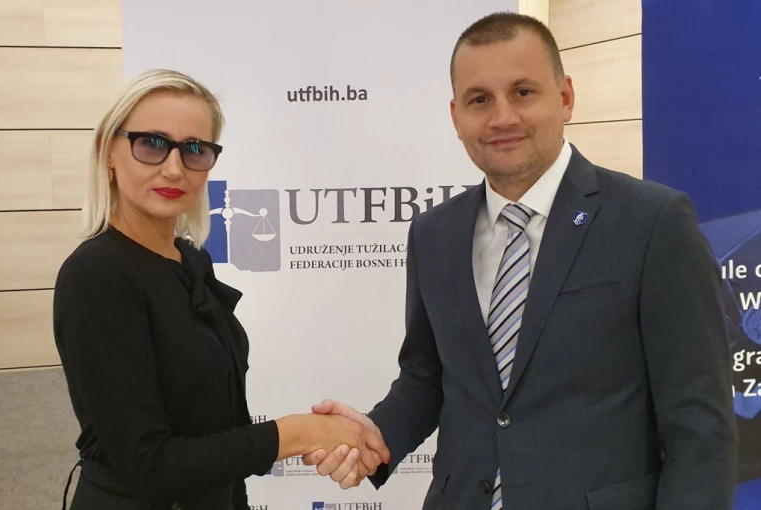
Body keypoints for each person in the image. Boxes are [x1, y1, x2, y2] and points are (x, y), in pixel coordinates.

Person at [302, 12, 738, 509]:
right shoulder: (433, 234)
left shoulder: (653, 222)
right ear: (456, 116)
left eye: (523, 92)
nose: (502, 117)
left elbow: (700, 426)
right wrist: (376, 435)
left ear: (565, 97)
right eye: (479, 100)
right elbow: (428, 377)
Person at [53, 69, 388, 510]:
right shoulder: (96, 275)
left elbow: (218, 425)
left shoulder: (191, 260)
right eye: (151, 143)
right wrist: (299, 433)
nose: (174, 167)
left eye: (194, 149)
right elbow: (148, 465)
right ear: (108, 152)